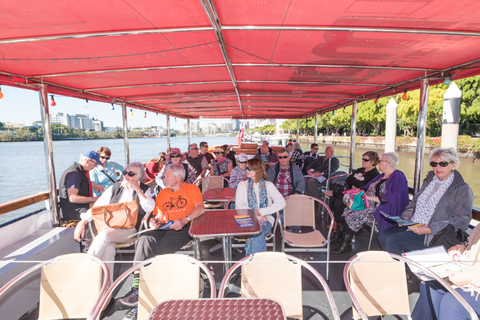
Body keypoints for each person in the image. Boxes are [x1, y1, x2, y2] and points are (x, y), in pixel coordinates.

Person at [116, 164, 204, 319]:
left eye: (167, 176)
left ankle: (143, 298)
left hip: (183, 228)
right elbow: (159, 214)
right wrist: (154, 222)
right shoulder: (163, 193)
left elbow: (200, 208)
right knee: (144, 239)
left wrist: (185, 219)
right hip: (164, 227)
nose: (164, 179)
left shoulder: (192, 189)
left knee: (154, 252)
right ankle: (138, 287)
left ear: (178, 177)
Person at [379, 148, 473, 255]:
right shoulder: (430, 181)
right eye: (434, 164)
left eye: (443, 164)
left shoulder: (461, 189)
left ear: (454, 165)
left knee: (392, 241)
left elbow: (462, 220)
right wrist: (406, 217)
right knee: (383, 235)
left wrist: (429, 229)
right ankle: (402, 266)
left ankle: (404, 269)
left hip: (434, 234)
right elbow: (415, 203)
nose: (438, 167)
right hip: (414, 225)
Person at [73, 162, 154, 284]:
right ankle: (107, 290)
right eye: (125, 173)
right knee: (109, 248)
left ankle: (84, 271)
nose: (126, 176)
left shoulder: (145, 189)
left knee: (105, 235)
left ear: (139, 176)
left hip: (131, 230)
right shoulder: (115, 188)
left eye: (131, 174)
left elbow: (149, 207)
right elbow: (97, 206)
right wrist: (82, 222)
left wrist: (138, 190)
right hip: (111, 227)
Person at [332, 152, 409, 254]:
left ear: (388, 163)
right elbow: (367, 186)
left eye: (380, 161)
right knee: (344, 207)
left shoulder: (398, 176)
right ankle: (344, 239)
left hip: (381, 207)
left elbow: (393, 197)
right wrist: (362, 192)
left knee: (354, 213)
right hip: (368, 203)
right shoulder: (382, 176)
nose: (378, 163)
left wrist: (370, 198)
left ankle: (345, 244)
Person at [411, 224, 480, 320]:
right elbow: (470, 244)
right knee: (431, 284)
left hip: (475, 281)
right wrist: (460, 248)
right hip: (470, 266)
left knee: (453, 303)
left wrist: (469, 276)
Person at [324, 151, 380, 243]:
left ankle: (341, 230)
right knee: (333, 199)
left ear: (373, 161)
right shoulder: (360, 170)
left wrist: (356, 185)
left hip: (359, 199)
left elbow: (365, 187)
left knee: (338, 203)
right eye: (362, 158)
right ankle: (339, 227)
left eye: (366, 159)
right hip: (350, 194)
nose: (363, 161)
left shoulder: (374, 175)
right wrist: (355, 185)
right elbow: (348, 180)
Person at [235, 158, 286, 255]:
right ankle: (259, 262)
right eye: (247, 168)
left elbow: (282, 202)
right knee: (257, 232)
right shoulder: (242, 185)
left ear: (258, 170)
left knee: (257, 232)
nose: (247, 170)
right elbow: (240, 206)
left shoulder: (269, 185)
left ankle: (253, 261)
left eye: (250, 169)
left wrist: (263, 211)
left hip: (266, 219)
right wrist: (257, 216)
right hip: (245, 219)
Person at [58, 150, 103, 221]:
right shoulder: (74, 174)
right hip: (74, 213)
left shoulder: (80, 171)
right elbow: (73, 198)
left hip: (79, 210)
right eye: (95, 164)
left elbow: (79, 183)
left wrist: (92, 185)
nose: (95, 166)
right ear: (88, 161)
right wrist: (96, 199)